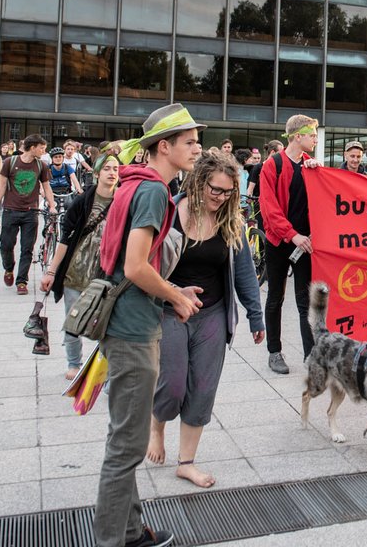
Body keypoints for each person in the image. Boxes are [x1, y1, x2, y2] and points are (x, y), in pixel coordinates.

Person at [93, 103, 204, 547]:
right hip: (133, 330)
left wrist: (174, 289)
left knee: (127, 436)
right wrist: (175, 295)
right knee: (125, 448)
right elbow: (136, 266)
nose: (198, 148)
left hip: (125, 321)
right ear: (164, 146)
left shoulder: (135, 184)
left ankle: (132, 531)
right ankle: (112, 540)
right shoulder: (154, 191)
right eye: (190, 142)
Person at [146, 151, 265, 488]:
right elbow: (147, 264)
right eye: (215, 190)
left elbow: (244, 274)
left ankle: (186, 462)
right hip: (169, 309)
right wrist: (174, 290)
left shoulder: (232, 221)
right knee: (171, 384)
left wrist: (256, 317)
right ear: (198, 182)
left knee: (202, 388)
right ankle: (157, 426)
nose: (221, 198)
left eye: (228, 192)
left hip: (212, 313)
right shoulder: (168, 211)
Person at [40, 153, 122, 380]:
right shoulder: (82, 201)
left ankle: (103, 368)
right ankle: (74, 363)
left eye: (115, 168)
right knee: (73, 320)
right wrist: (51, 271)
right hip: (76, 271)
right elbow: (65, 240)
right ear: (96, 173)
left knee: (106, 324)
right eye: (106, 168)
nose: (112, 173)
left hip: (105, 274)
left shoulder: (124, 201)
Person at [259, 115, 320, 374]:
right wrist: (291, 234)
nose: (316, 139)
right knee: (275, 297)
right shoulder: (272, 165)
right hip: (280, 241)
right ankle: (274, 352)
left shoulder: (311, 165)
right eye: (313, 135)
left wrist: (320, 174)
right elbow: (269, 208)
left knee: (305, 301)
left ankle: (311, 355)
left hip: (305, 243)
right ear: (298, 136)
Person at [0, 134, 56, 296]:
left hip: (31, 213)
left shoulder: (42, 166)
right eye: (41, 148)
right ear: (32, 147)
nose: (43, 151)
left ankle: (21, 281)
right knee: (6, 244)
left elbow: (47, 187)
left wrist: (52, 205)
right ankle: (9, 268)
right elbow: (2, 186)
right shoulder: (9, 162)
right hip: (10, 210)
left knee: (27, 248)